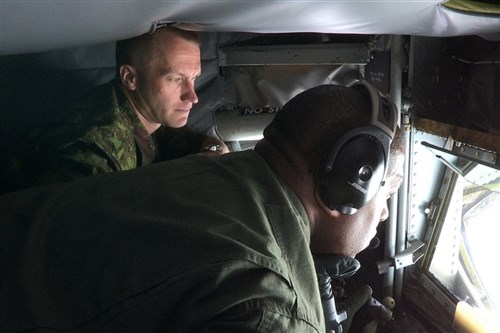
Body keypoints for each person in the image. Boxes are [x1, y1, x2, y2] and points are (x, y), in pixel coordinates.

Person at [0, 82, 405, 332]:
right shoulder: (267, 303)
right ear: (354, 179)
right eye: (386, 191)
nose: (385, 213)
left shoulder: (215, 172)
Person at [26, 26, 228, 186]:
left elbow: (200, 143)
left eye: (194, 78)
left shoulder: (147, 112)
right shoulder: (92, 149)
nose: (192, 97)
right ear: (130, 78)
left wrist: (213, 150)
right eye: (175, 79)